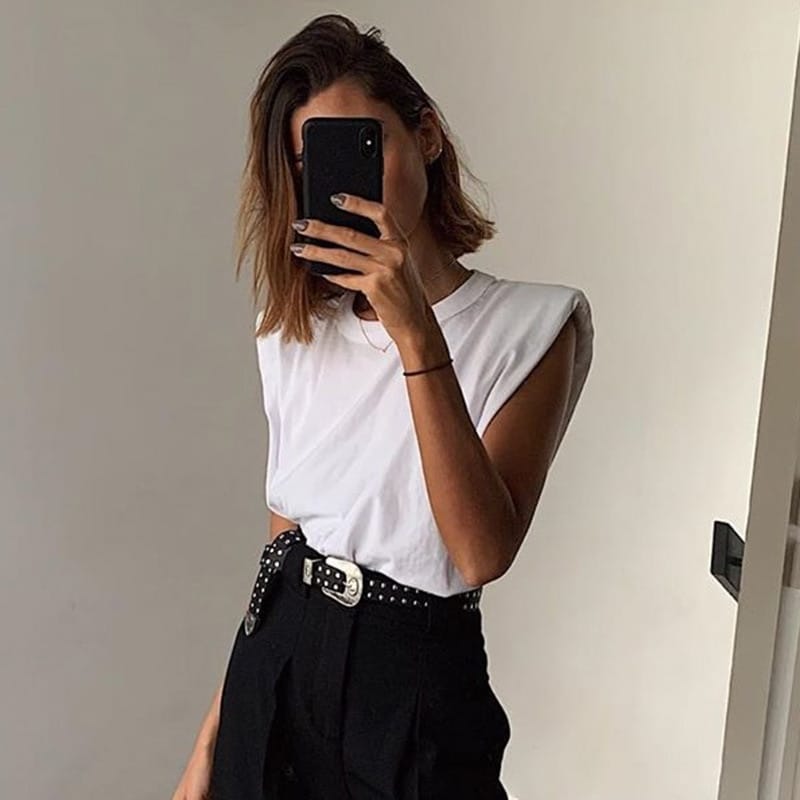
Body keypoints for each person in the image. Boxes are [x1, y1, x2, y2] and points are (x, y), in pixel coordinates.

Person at [172, 12, 594, 800]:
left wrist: (414, 331)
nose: (341, 185)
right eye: (310, 163)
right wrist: (208, 744)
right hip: (278, 661)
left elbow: (480, 552)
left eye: (361, 147)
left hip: (413, 682)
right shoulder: (293, 331)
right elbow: (281, 547)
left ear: (426, 135)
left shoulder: (536, 326)